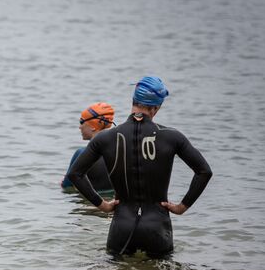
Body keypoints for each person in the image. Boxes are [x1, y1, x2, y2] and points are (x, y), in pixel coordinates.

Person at [67, 76, 212, 257]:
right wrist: (182, 207)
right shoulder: (172, 137)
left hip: (121, 226)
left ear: (134, 101)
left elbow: (75, 173)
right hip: (157, 227)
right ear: (156, 107)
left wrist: (102, 205)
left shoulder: (106, 138)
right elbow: (204, 171)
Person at [61, 102, 115, 192]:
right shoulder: (121, 151)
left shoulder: (82, 153)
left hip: (90, 203)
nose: (80, 127)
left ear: (93, 126)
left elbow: (67, 187)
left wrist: (62, 183)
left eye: (82, 122)